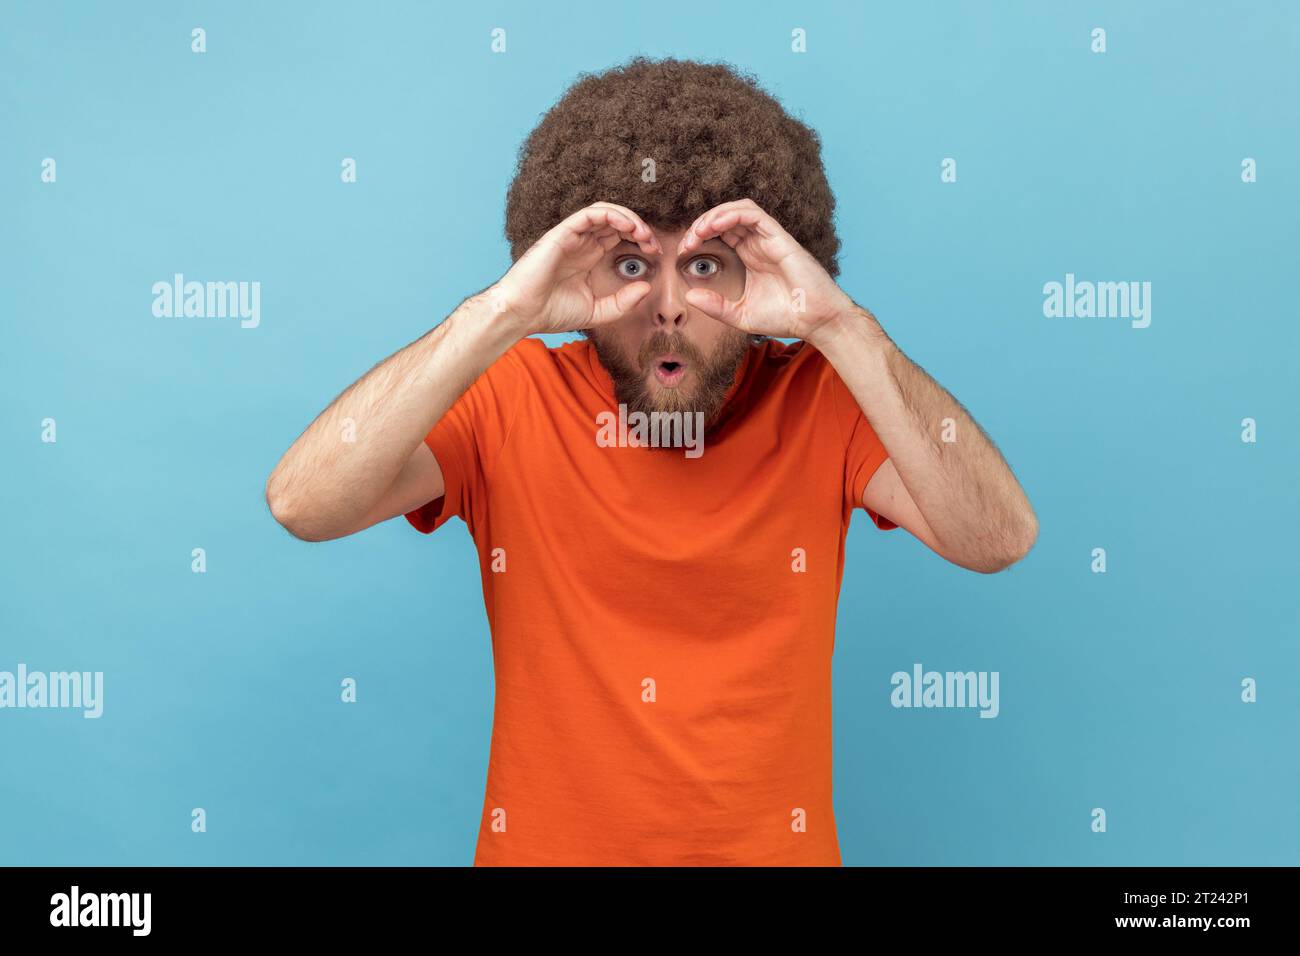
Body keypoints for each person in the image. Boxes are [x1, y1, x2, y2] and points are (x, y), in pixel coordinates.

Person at [265, 56, 1037, 866]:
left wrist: (837, 324)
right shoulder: (510, 399)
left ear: (762, 273)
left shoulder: (825, 399)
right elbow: (303, 503)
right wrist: (500, 313)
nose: (667, 306)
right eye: (633, 266)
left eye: (703, 267)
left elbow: (996, 539)